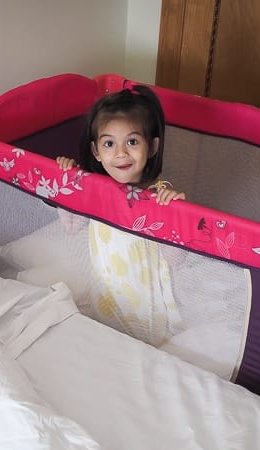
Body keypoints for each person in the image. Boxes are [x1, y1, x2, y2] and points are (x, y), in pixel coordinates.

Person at [56, 84, 186, 346]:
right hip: (106, 294)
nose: (121, 153)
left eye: (132, 141)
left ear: (151, 147)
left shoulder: (158, 194)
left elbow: (176, 259)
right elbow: (71, 226)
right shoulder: (92, 190)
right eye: (109, 144)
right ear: (96, 152)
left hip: (146, 302)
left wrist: (175, 213)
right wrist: (67, 183)